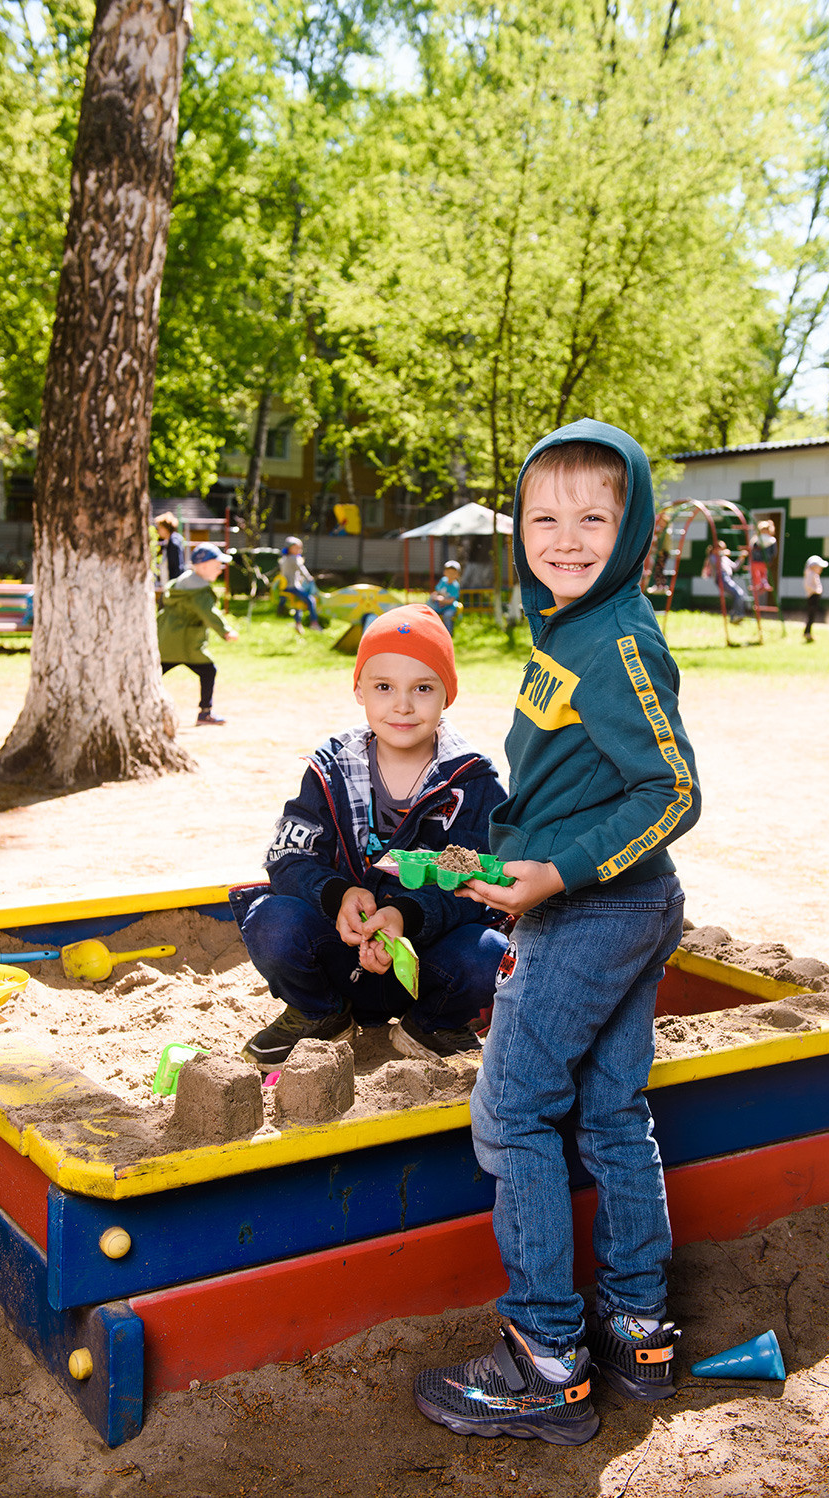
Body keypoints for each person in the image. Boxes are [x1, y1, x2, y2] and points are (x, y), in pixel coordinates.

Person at [413, 420, 701, 1446]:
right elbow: (567, 779)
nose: (566, 536)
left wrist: (556, 873)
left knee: (510, 1118)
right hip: (598, 899)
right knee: (612, 1112)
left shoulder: (618, 638)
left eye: (594, 516)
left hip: (598, 910)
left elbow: (670, 792)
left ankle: (544, 1356)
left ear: (633, 530)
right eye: (544, 516)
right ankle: (638, 1324)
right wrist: (498, 859)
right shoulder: (567, 627)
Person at [230, 604, 509, 1070]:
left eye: (423, 687)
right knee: (270, 918)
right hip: (339, 953)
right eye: (384, 687)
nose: (402, 704)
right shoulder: (330, 769)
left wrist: (404, 915)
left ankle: (434, 1026)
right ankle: (320, 1013)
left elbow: (479, 884)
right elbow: (289, 855)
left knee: (490, 954)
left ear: (448, 694)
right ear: (359, 689)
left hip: (426, 960)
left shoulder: (471, 782)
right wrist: (337, 894)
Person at [156, 541, 238, 725]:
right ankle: (205, 713)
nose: (220, 570)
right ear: (203, 566)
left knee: (154, 674)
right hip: (188, 644)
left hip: (166, 642)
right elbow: (209, 613)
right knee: (209, 670)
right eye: (217, 566)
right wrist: (226, 632)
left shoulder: (179, 583)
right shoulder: (198, 591)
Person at [279, 536, 322, 634]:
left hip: (287, 587)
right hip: (293, 586)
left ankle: (298, 624)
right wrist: (308, 577)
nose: (300, 550)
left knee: (298, 604)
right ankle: (314, 623)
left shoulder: (285, 558)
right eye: (298, 548)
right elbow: (301, 569)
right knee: (311, 601)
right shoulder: (294, 558)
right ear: (291, 548)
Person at [702, 539, 747, 621]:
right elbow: (715, 563)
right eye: (718, 548)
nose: (720, 550)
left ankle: (735, 615)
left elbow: (735, 567)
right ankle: (736, 615)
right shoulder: (712, 557)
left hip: (728, 578)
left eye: (721, 549)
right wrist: (722, 553)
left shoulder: (724, 558)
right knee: (738, 593)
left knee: (739, 594)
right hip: (721, 577)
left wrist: (741, 558)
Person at [426, 559, 462, 634]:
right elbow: (437, 591)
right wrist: (434, 596)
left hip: (449, 607)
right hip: (439, 606)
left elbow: (451, 601)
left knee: (447, 616)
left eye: (453, 573)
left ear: (457, 575)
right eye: (449, 572)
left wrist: (441, 599)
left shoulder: (455, 586)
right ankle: (432, 631)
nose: (450, 574)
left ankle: (448, 633)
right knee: (431, 612)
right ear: (445, 572)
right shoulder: (443, 581)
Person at [154, 512, 186, 583]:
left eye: (160, 528)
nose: (158, 530)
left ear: (166, 528)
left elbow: (176, 566)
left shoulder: (174, 543)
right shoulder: (169, 541)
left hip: (174, 583)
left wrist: (173, 584)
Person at [802, 554, 828, 642]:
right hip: (812, 596)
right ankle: (807, 632)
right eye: (819, 567)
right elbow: (808, 585)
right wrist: (816, 591)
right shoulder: (810, 574)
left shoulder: (814, 575)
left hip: (815, 596)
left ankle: (808, 632)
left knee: (812, 616)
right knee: (811, 616)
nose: (821, 569)